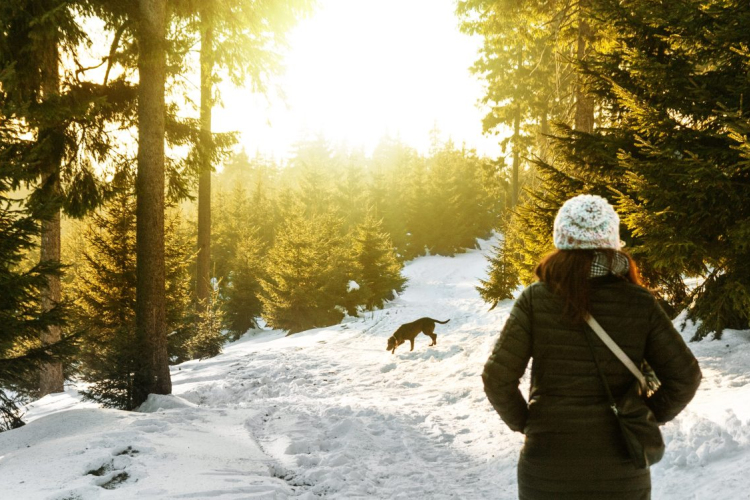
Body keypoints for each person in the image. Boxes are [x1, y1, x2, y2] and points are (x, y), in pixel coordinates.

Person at [482, 194, 701, 500]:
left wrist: (529, 424)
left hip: (547, 467)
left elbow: (496, 378)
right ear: (612, 242)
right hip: (621, 468)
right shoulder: (640, 302)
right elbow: (685, 377)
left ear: (562, 240)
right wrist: (643, 416)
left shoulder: (535, 299)